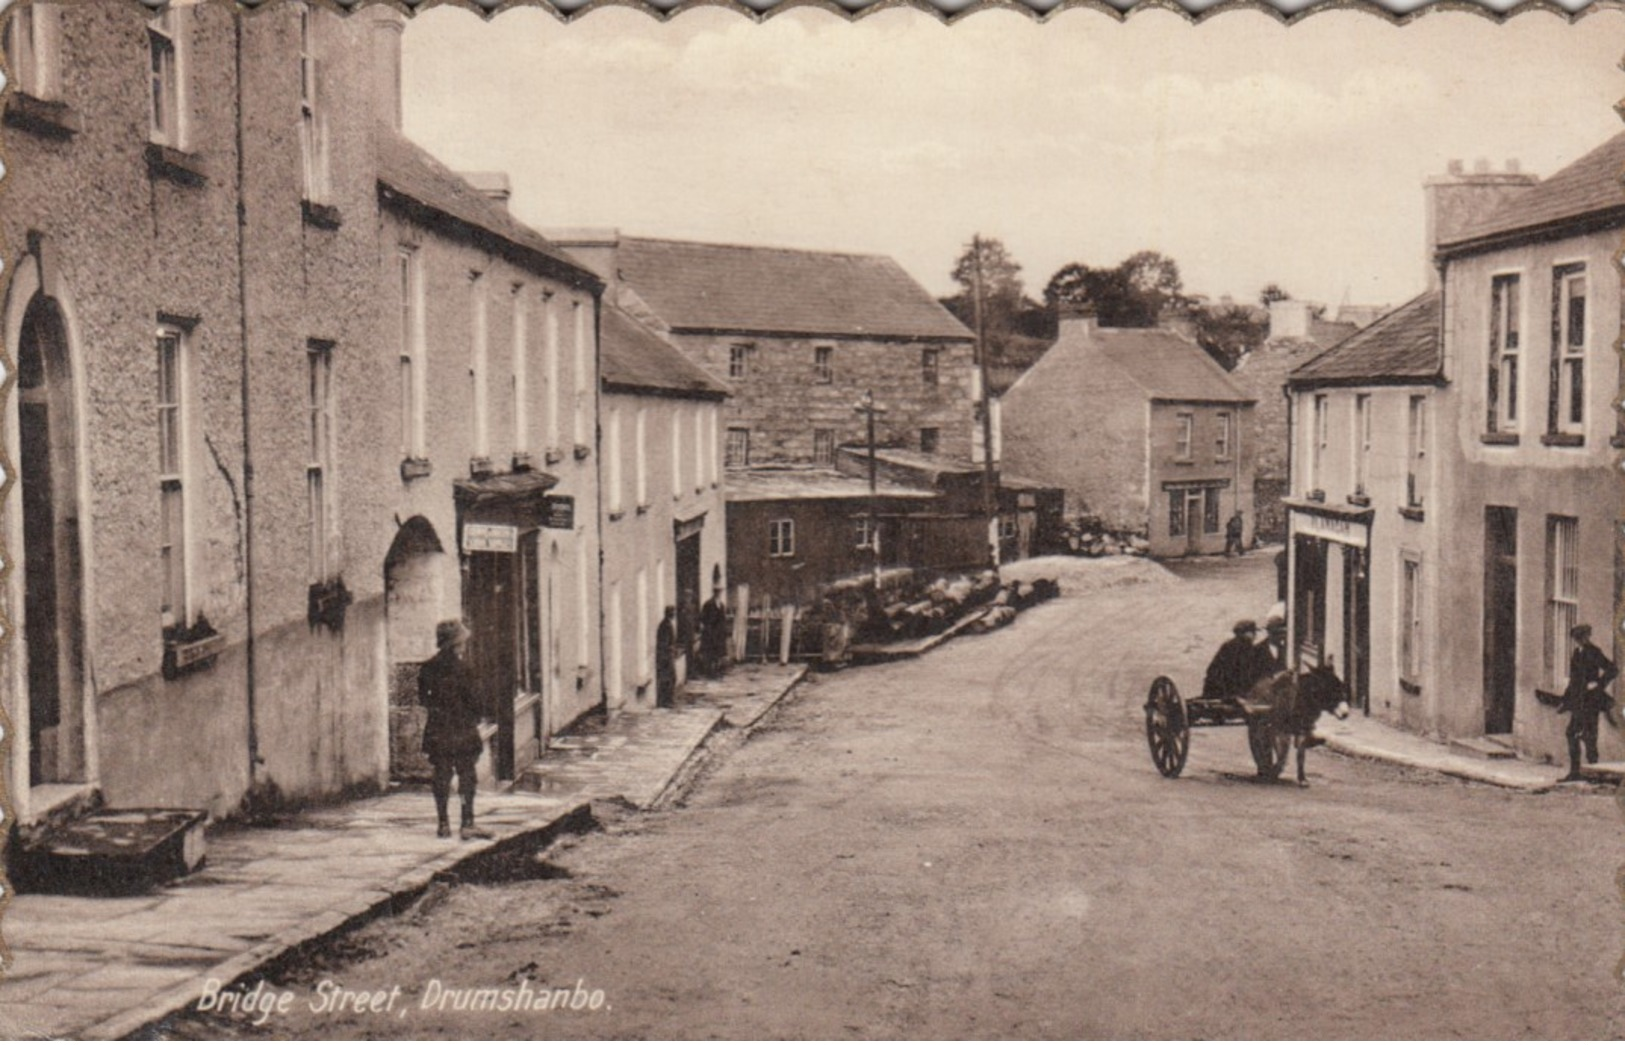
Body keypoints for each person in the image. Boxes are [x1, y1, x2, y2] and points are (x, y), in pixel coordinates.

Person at [419, 619, 491, 841]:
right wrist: (475, 716)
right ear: (457, 643)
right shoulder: (465, 669)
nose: (464, 645)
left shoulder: (427, 667)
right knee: (466, 774)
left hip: (438, 728)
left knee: (441, 774)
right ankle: (467, 822)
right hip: (462, 728)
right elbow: (476, 701)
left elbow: (423, 699)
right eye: (462, 642)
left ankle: (443, 824)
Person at [1559, 624, 1617, 782]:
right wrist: (1565, 700)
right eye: (1577, 638)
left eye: (1582, 637)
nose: (1580, 640)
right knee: (1572, 733)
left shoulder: (1594, 651)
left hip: (1591, 701)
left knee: (1590, 736)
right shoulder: (1577, 653)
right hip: (1578, 701)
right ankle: (1575, 771)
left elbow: (1612, 669)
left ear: (1587, 636)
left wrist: (1598, 684)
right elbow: (1573, 680)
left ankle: (1594, 770)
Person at [1204, 619, 1274, 701]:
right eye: (1253, 632)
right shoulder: (1243, 647)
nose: (1255, 635)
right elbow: (1241, 672)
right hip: (1227, 691)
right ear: (1246, 633)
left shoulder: (1229, 645)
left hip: (1220, 689)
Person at [698, 583, 730, 679]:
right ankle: (710, 673)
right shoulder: (708, 604)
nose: (719, 594)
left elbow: (723, 619)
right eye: (717, 592)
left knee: (718, 654)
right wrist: (709, 628)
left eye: (720, 592)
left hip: (719, 633)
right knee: (710, 654)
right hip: (710, 633)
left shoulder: (721, 604)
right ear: (714, 593)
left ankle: (717, 671)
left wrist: (724, 630)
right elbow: (703, 618)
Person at [655, 606, 678, 708]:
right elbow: (664, 643)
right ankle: (666, 701)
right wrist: (670, 651)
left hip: (668, 655)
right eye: (672, 612)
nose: (674, 614)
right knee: (667, 679)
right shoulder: (665, 625)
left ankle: (668, 700)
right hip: (665, 657)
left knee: (671, 678)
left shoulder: (667, 624)